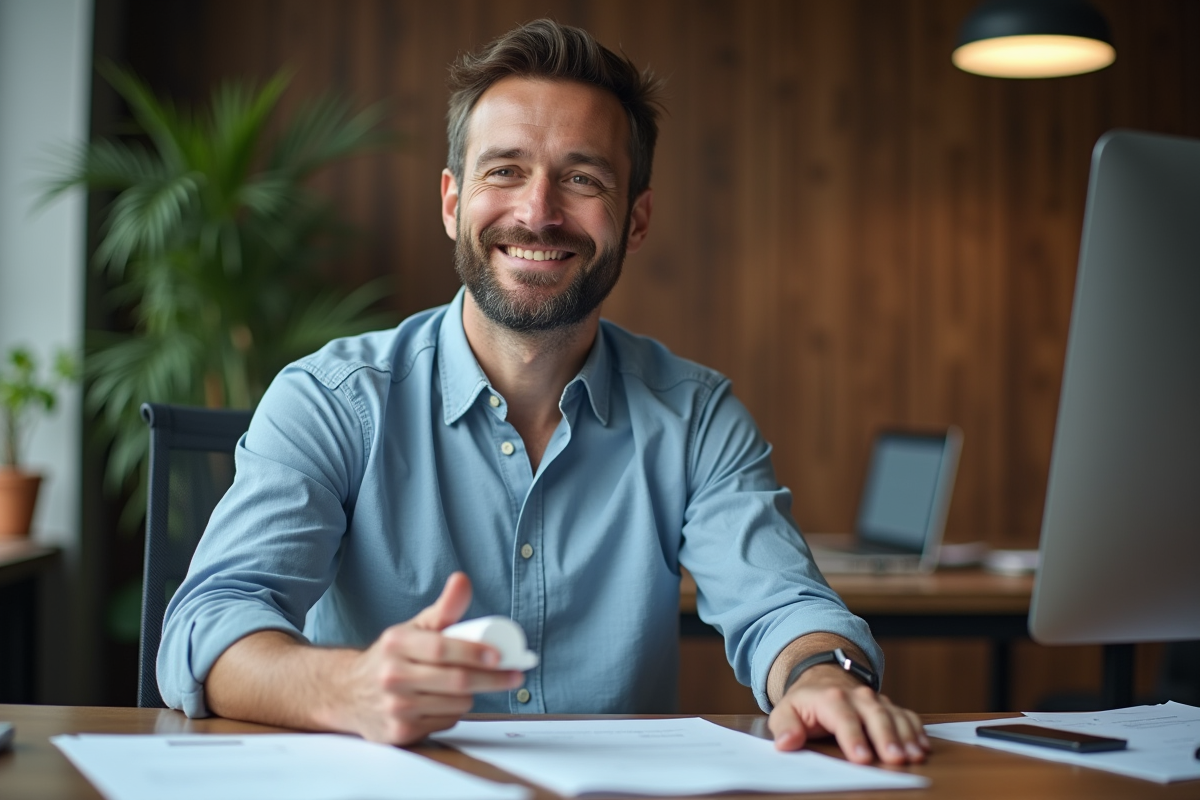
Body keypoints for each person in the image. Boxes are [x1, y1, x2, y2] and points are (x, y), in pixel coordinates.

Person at [158, 19, 929, 766]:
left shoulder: (695, 417)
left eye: (583, 178)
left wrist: (822, 675)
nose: (538, 211)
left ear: (637, 218)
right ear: (453, 200)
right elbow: (212, 622)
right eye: (505, 170)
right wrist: (347, 686)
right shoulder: (331, 400)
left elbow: (782, 607)